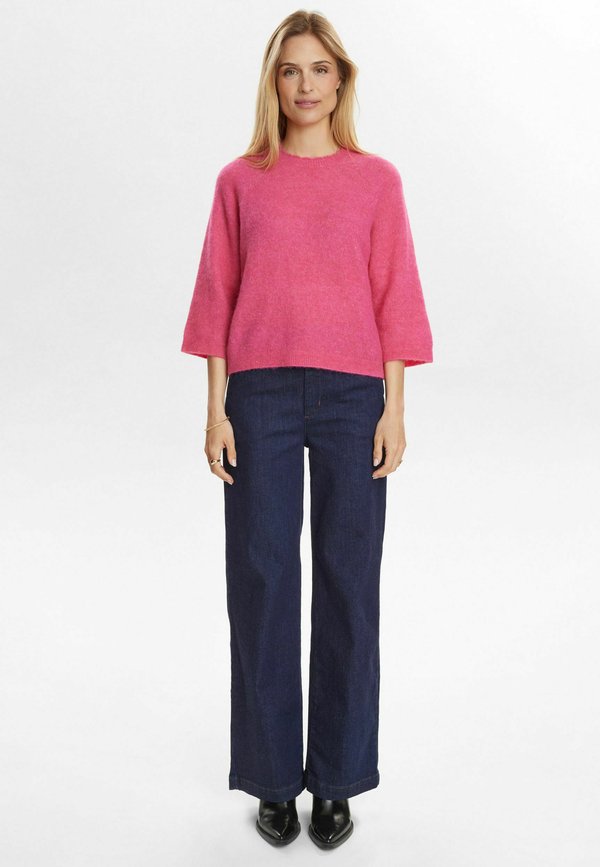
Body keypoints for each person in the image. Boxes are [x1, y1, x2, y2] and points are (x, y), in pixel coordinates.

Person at [181, 10, 433, 850]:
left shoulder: (377, 181)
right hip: (259, 396)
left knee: (348, 582)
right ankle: (270, 776)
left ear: (341, 80)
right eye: (291, 70)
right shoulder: (240, 181)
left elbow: (395, 292)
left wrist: (394, 407)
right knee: (260, 579)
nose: (306, 85)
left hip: (355, 396)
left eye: (320, 69)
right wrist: (215, 408)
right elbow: (217, 295)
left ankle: (336, 778)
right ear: (273, 83)